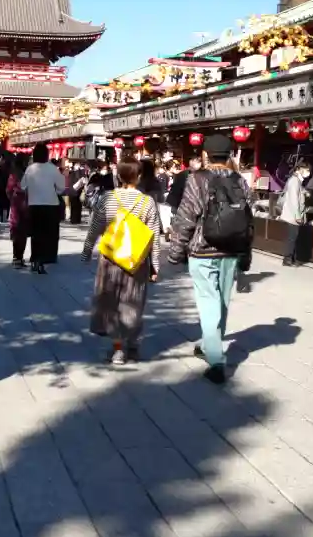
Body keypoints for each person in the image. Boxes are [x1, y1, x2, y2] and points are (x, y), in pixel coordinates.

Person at [169, 134, 252, 384]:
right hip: (231, 250)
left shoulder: (197, 179)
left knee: (208, 301)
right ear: (229, 155)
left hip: (202, 249)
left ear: (205, 154)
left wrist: (176, 251)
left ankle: (215, 360)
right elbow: (249, 221)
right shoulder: (240, 180)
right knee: (222, 301)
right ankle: (208, 344)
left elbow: (186, 217)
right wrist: (246, 254)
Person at [82, 156, 159, 365]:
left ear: (119, 176)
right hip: (136, 261)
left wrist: (87, 251)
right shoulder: (147, 202)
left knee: (111, 303)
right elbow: (154, 236)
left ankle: (117, 350)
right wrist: (155, 265)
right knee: (134, 301)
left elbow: (94, 228)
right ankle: (133, 344)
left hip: (110, 259)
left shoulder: (107, 198)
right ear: (139, 176)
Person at [21, 142, 66, 273]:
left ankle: (35, 258)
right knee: (49, 234)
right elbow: (61, 188)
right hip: (51, 205)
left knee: (36, 233)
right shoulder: (53, 169)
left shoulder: (30, 169)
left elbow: (23, 186)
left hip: (34, 205)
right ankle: (46, 259)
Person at [280, 160, 311, 266]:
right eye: (306, 170)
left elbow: (298, 192)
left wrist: (305, 192)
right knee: (292, 237)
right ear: (299, 169)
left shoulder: (297, 181)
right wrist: (297, 215)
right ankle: (287, 259)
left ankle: (291, 258)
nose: (308, 172)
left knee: (293, 236)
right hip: (292, 215)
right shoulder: (295, 181)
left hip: (293, 214)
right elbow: (294, 199)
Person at [7, 154, 29, 267]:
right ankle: (20, 257)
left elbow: (8, 190)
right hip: (27, 205)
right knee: (23, 232)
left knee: (16, 230)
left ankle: (16, 257)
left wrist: (12, 199)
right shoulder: (28, 174)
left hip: (16, 205)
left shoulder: (13, 175)